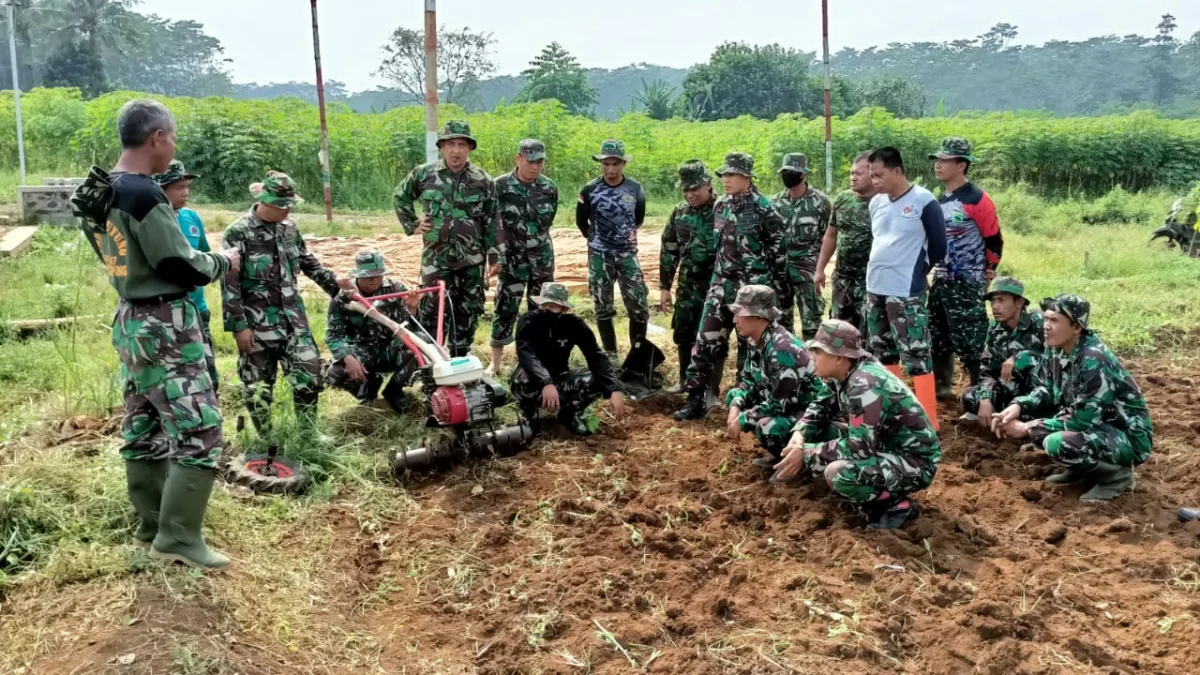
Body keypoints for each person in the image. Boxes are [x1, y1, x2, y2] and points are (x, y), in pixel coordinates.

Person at [70, 99, 240, 568]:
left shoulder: (102, 188)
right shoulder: (144, 194)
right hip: (165, 323)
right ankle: (179, 538)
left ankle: (151, 524)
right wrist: (222, 262)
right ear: (157, 138)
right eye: (173, 138)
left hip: (131, 317)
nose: (174, 146)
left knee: (143, 423)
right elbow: (176, 262)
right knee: (200, 431)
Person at [222, 171, 351, 443]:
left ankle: (307, 434)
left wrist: (335, 284)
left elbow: (307, 262)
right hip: (257, 325)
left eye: (290, 205)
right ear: (264, 202)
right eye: (282, 206)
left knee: (309, 372)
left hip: (294, 319)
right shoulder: (239, 231)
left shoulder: (289, 228)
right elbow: (229, 284)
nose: (287, 210)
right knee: (258, 384)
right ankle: (266, 438)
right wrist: (239, 326)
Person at [773, 320, 941, 529]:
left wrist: (807, 453)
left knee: (838, 473)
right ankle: (799, 467)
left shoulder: (864, 385)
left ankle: (896, 505)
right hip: (884, 446)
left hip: (914, 462)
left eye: (818, 351)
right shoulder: (844, 372)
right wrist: (800, 433)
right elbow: (821, 406)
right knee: (822, 431)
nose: (812, 357)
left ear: (838, 357)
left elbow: (859, 448)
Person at [991, 294, 1153, 502]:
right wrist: (1018, 406)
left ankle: (1117, 476)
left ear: (1077, 327)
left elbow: (1081, 420)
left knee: (1054, 441)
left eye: (1055, 321)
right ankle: (1082, 470)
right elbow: (1048, 389)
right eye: (1046, 319)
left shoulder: (1093, 360)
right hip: (1099, 427)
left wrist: (1027, 427)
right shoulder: (1056, 347)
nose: (1046, 326)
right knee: (1044, 432)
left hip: (1126, 436)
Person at [674, 152, 789, 421]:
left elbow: (778, 253)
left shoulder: (765, 208)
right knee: (704, 342)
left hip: (751, 291)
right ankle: (695, 399)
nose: (725, 179)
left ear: (746, 177)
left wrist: (773, 292)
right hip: (720, 285)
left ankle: (746, 403)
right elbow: (719, 247)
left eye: (731, 175)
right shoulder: (720, 206)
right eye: (723, 175)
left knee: (748, 349)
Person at [393, 120, 501, 357]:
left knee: (467, 311)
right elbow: (400, 196)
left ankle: (460, 362)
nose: (456, 150)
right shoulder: (425, 174)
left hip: (471, 261)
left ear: (469, 148)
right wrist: (413, 224)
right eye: (451, 144)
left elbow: (493, 218)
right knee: (431, 311)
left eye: (462, 144)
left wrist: (495, 254)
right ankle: (430, 365)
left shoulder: (483, 180)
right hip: (436, 259)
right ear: (442, 147)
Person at [863, 147, 947, 429]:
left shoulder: (924, 201)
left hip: (905, 289)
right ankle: (896, 412)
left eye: (879, 175)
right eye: (872, 175)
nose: (875, 181)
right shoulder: (876, 203)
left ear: (897, 171)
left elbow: (938, 246)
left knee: (916, 353)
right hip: (875, 287)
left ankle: (929, 420)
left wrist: (919, 270)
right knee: (882, 349)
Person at [929, 137, 1003, 400]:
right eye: (937, 160)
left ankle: (979, 392)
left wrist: (988, 269)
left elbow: (994, 239)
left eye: (944, 160)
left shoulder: (977, 199)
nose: (938, 165)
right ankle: (942, 388)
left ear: (961, 164)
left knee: (971, 338)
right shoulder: (939, 200)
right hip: (940, 279)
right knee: (938, 334)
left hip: (966, 280)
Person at [510, 283, 627, 436]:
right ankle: (530, 413)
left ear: (564, 309)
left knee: (596, 379)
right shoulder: (529, 321)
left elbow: (596, 356)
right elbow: (526, 354)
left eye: (552, 306)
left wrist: (613, 389)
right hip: (532, 377)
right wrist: (545, 382)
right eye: (544, 305)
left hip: (559, 376)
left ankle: (569, 414)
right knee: (522, 380)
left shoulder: (574, 325)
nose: (546, 310)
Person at [724, 285, 821, 468]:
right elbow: (748, 381)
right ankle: (782, 455)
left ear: (759, 317)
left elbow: (779, 404)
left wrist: (744, 419)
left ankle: (796, 461)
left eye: (740, 313)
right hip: (789, 406)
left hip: (809, 414)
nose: (735, 319)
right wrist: (736, 406)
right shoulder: (758, 340)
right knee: (733, 396)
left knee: (767, 426)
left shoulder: (782, 350)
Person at [488, 139, 559, 377]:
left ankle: (535, 361)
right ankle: (496, 363)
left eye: (540, 162)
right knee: (505, 308)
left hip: (542, 260)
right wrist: (495, 255)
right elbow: (491, 223)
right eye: (531, 161)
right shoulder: (499, 186)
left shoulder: (549, 187)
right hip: (512, 260)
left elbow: (549, 221)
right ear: (518, 158)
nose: (535, 167)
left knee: (541, 310)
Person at [576, 139, 649, 357]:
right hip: (600, 255)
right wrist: (597, 241)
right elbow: (581, 221)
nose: (610, 169)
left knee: (638, 306)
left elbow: (638, 218)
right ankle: (610, 354)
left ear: (623, 164)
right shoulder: (589, 189)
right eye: (606, 164)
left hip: (627, 254)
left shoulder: (635, 189)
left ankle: (637, 356)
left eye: (615, 164)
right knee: (602, 307)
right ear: (601, 164)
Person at [151, 159, 219, 388]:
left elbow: (204, 258)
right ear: (160, 189)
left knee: (209, 377)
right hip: (167, 313)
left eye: (187, 186)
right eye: (179, 188)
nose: (186, 192)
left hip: (198, 310)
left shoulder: (192, 218)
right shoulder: (152, 222)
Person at [325, 250, 421, 409]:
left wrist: (412, 308)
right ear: (358, 275)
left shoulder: (396, 289)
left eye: (379, 274)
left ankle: (394, 390)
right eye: (369, 276)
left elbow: (413, 329)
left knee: (419, 346)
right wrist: (348, 357)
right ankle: (368, 387)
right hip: (361, 350)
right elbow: (333, 336)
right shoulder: (343, 297)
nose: (375, 279)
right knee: (335, 373)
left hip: (392, 347)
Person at [660, 159, 719, 393]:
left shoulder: (722, 210)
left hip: (715, 286)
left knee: (713, 337)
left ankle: (710, 389)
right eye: (686, 189)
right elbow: (669, 250)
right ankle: (685, 380)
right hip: (687, 284)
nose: (690, 194)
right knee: (683, 333)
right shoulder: (679, 212)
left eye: (694, 189)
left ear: (708, 185)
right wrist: (665, 287)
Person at [959, 276, 1044, 425]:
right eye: (992, 301)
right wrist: (986, 398)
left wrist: (1020, 358)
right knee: (970, 396)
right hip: (1012, 388)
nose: (995, 306)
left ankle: (1024, 416)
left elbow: (1057, 360)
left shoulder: (1039, 322)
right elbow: (988, 370)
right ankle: (1010, 414)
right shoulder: (995, 328)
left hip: (1038, 390)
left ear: (1019, 302)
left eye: (1001, 300)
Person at [815, 152, 876, 334]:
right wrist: (820, 269)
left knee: (869, 334)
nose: (853, 178)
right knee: (839, 332)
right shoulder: (843, 199)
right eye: (851, 173)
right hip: (843, 280)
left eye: (858, 174)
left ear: (873, 174)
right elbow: (831, 235)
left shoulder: (884, 202)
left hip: (870, 281)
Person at [773, 153, 832, 340]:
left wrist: (820, 267)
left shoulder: (820, 203)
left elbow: (828, 237)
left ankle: (813, 366)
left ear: (803, 175)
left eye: (792, 172)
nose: (787, 176)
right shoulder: (775, 203)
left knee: (811, 323)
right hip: (780, 270)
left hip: (807, 269)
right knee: (780, 322)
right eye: (785, 172)